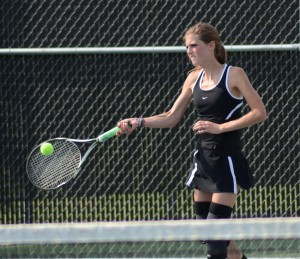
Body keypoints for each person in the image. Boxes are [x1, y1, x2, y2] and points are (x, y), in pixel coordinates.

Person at [117, 22, 267, 259]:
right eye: (186, 47)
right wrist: (139, 121)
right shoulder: (192, 79)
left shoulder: (234, 74)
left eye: (194, 45)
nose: (189, 51)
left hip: (226, 161)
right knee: (210, 236)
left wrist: (220, 127)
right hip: (204, 161)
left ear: (211, 45)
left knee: (216, 243)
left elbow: (260, 112)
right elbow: (171, 117)